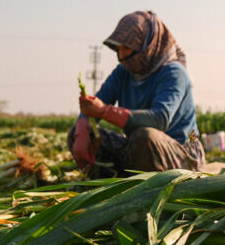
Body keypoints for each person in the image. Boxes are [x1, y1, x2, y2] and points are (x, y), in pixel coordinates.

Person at [71, 11, 206, 177]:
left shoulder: (173, 73)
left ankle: (143, 187)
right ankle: (108, 181)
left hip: (180, 153)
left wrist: (104, 111)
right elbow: (96, 104)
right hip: (138, 147)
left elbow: (159, 119)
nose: (121, 56)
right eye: (118, 49)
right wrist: (82, 129)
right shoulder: (123, 72)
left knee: (145, 136)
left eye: (127, 48)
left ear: (147, 46)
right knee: (80, 133)